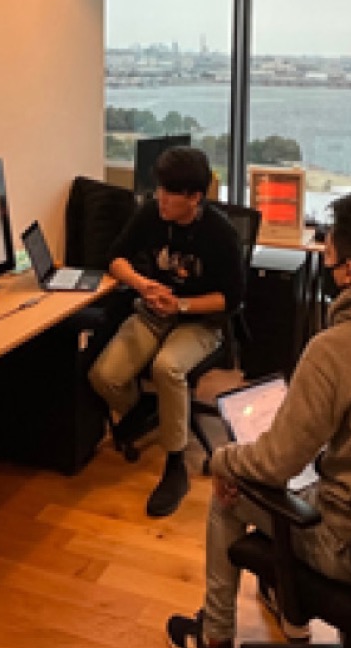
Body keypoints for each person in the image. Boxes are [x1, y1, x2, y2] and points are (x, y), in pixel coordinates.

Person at [165, 192, 351, 648]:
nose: (325, 260)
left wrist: (223, 459)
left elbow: (276, 464)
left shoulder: (333, 348)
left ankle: (215, 641)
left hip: (349, 541)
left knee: (229, 493)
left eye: (329, 252)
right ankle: (290, 611)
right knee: (292, 478)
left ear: (349, 271)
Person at [89, 146, 244, 519]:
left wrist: (182, 305)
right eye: (160, 188)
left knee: (167, 367)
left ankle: (176, 465)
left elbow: (231, 298)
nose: (161, 197)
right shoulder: (152, 214)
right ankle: (152, 412)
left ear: (194, 197)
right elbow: (115, 258)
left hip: (200, 321)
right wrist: (144, 285)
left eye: (171, 192)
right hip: (153, 311)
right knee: (104, 376)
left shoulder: (220, 233)